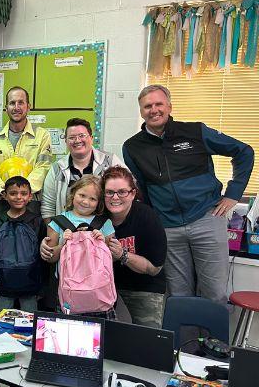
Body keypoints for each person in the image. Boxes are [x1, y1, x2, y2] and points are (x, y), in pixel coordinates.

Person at [122, 85, 253, 306]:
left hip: (207, 220)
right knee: (178, 297)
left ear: (169, 106)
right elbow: (141, 189)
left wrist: (233, 194)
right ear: (141, 111)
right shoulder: (132, 147)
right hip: (168, 229)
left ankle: (213, 342)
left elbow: (244, 152)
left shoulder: (195, 132)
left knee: (215, 294)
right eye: (147, 106)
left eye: (158, 104)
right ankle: (186, 342)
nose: (154, 110)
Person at [40, 176, 118, 319]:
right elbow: (51, 258)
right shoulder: (58, 221)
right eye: (82, 195)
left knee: (101, 338)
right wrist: (63, 243)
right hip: (70, 291)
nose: (86, 202)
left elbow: (112, 258)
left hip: (99, 290)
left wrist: (102, 244)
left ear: (99, 203)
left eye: (93, 199)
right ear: (73, 193)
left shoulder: (104, 223)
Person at [100, 167, 169, 328]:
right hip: (106, 286)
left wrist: (123, 255)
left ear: (132, 193)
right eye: (109, 192)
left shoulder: (147, 217)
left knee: (147, 338)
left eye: (122, 192)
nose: (115, 197)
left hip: (144, 286)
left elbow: (154, 269)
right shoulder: (98, 216)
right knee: (104, 336)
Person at [44, 118, 126, 219]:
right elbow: (48, 208)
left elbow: (127, 191)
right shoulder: (57, 169)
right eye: (72, 137)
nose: (77, 140)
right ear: (65, 141)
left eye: (82, 136)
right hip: (66, 232)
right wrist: (54, 233)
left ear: (91, 138)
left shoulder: (110, 161)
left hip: (104, 229)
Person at [0, 87, 56, 197]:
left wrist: (23, 192)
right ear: (6, 108)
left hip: (31, 200)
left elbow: (43, 167)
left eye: (21, 103)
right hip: (1, 199)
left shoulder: (42, 136)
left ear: (28, 107)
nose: (16, 107)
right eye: (12, 103)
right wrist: (4, 190)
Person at [0, 177, 47, 312]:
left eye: (23, 193)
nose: (18, 197)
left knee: (30, 323)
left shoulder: (37, 221)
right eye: (13, 193)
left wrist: (43, 286)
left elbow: (43, 257)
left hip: (30, 283)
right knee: (2, 322)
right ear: (4, 195)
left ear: (30, 196)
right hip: (3, 283)